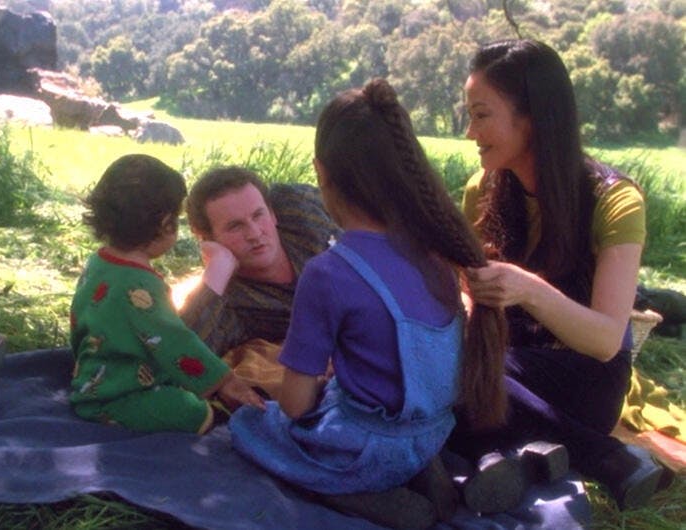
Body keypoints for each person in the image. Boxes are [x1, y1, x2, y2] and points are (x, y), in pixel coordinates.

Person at [227, 78, 510, 530]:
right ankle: (425, 474)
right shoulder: (439, 249)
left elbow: (298, 405)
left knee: (250, 428)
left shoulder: (327, 272)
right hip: (432, 432)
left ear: (322, 173)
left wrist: (303, 388)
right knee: (355, 401)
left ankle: (361, 496)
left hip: (365, 448)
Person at [450, 38, 672, 511]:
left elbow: (606, 339)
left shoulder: (614, 201)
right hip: (506, 367)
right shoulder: (481, 190)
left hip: (585, 379)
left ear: (531, 117)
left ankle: (593, 453)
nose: (470, 131)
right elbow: (466, 295)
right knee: (448, 365)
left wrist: (526, 289)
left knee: (455, 373)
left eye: (481, 114)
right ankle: (526, 458)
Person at [69, 154, 264, 434]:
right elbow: (174, 341)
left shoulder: (97, 263)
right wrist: (224, 382)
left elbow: (79, 322)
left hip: (91, 382)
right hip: (121, 396)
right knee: (191, 410)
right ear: (164, 224)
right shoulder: (141, 286)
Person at [179, 167, 339, 397]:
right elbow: (182, 355)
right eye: (235, 226)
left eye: (258, 215)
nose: (254, 233)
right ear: (207, 238)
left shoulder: (296, 208)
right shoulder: (231, 302)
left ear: (273, 214)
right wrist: (218, 270)